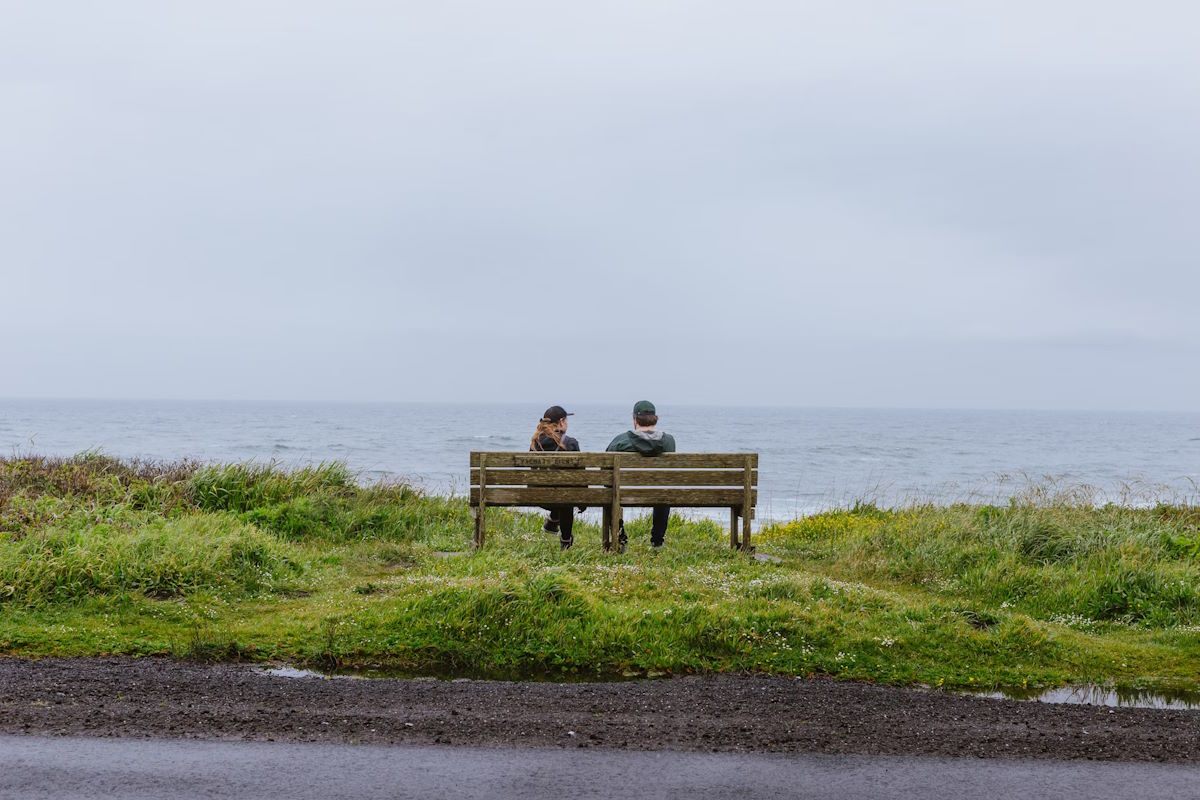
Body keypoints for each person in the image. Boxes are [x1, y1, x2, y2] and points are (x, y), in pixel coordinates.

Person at [606, 400, 676, 551]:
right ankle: (657, 541)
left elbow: (605, 472)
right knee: (663, 492)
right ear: (655, 419)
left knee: (609, 492)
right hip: (658, 494)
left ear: (634, 419)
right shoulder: (668, 441)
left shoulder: (620, 441)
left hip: (624, 494)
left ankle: (620, 537)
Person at [529, 405, 580, 550]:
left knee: (562, 492)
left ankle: (553, 520)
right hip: (563, 498)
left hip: (537, 496)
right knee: (566, 494)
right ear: (562, 422)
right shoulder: (570, 443)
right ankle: (565, 540)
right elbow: (579, 476)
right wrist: (582, 501)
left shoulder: (535, 442)